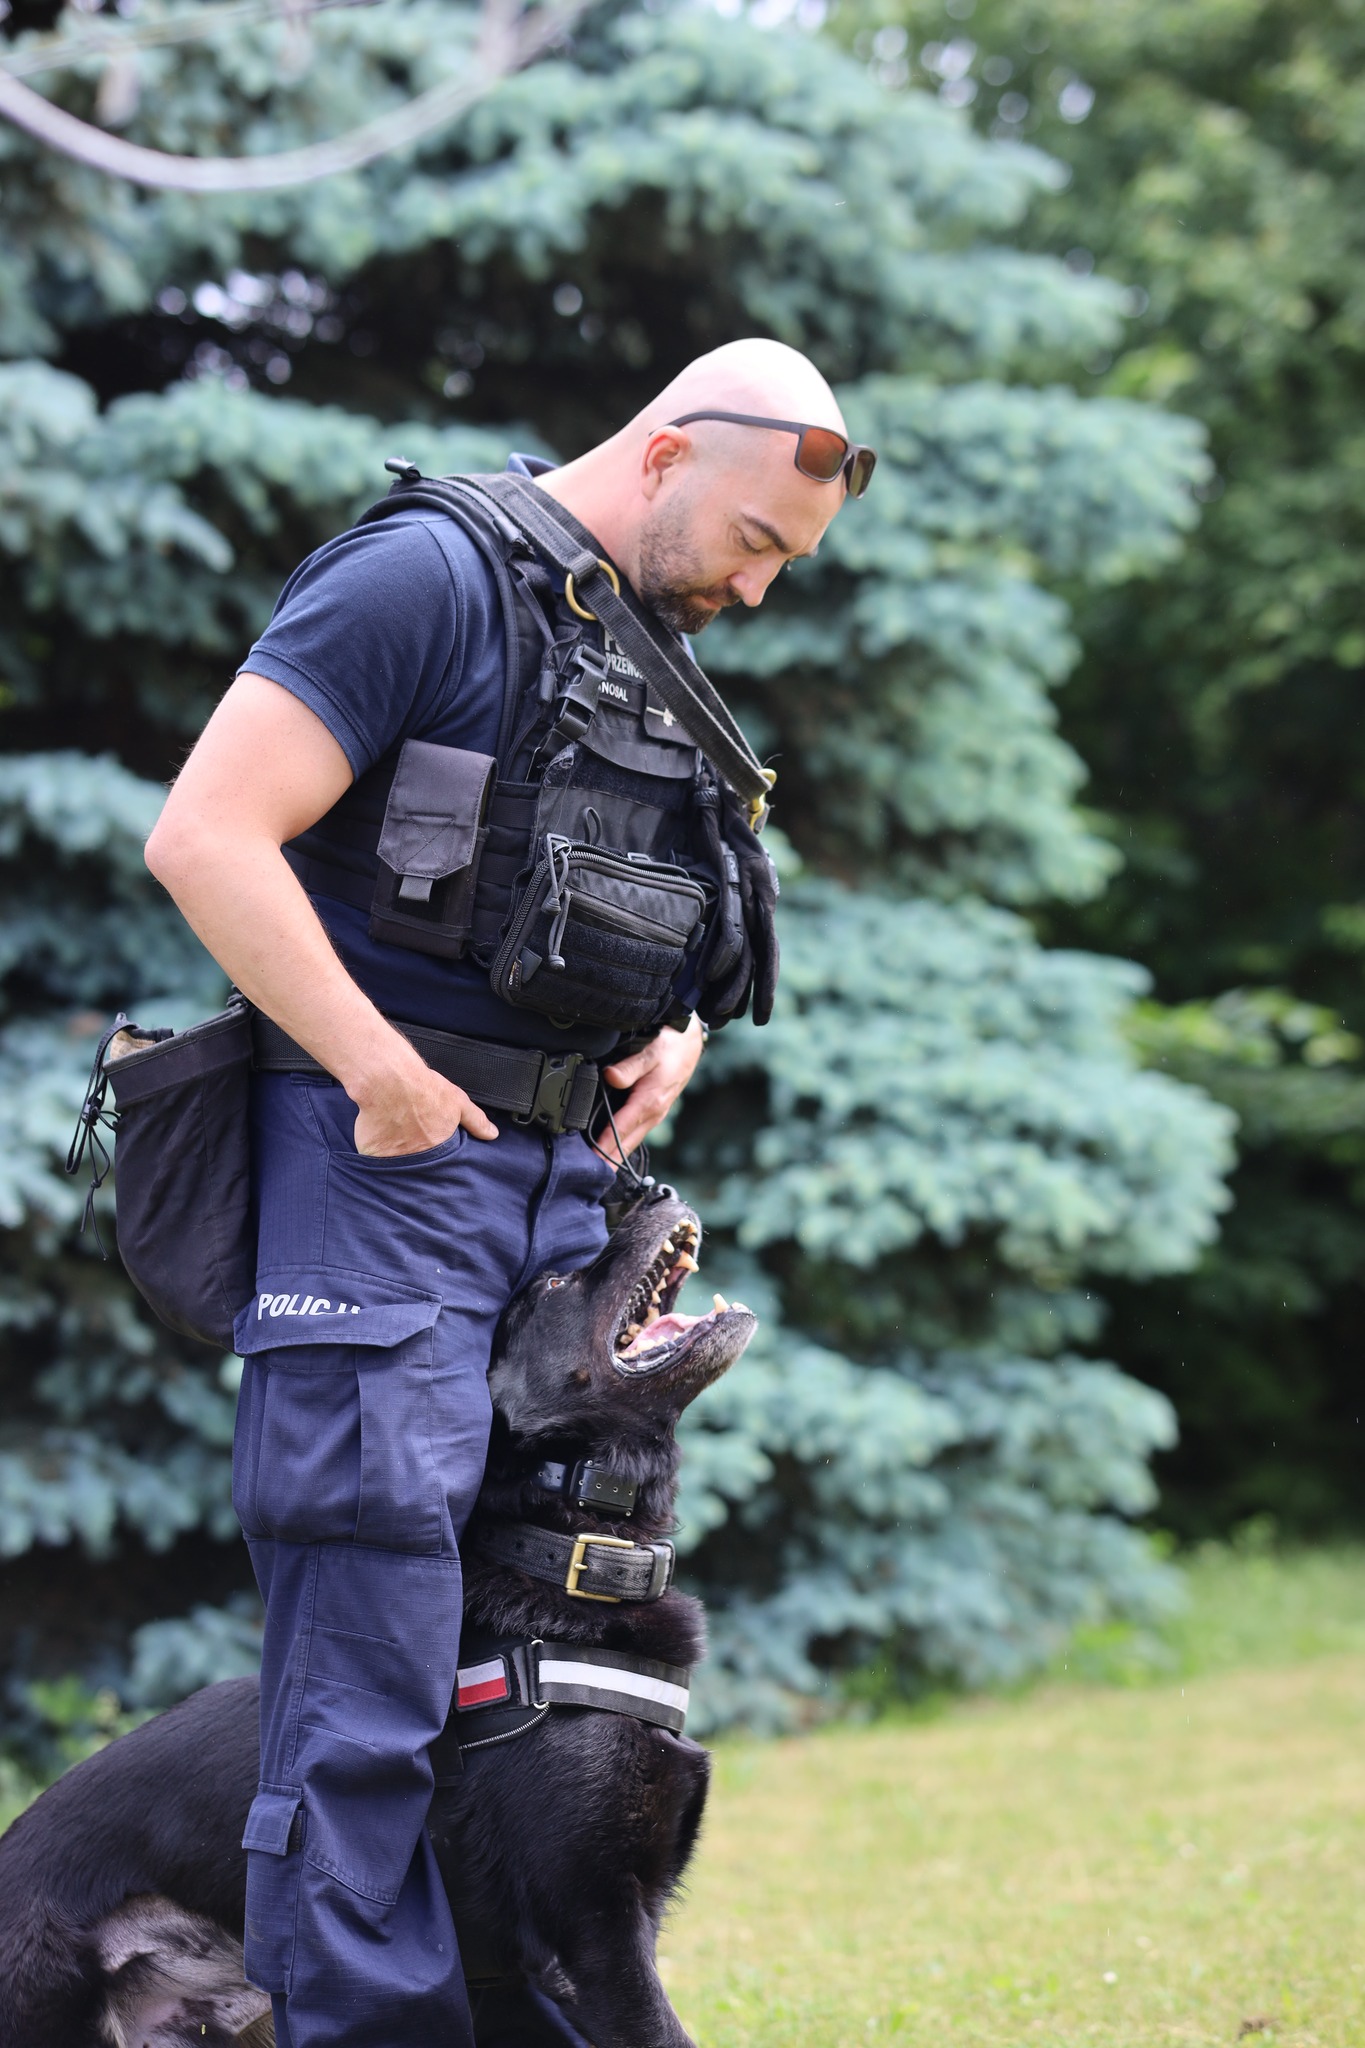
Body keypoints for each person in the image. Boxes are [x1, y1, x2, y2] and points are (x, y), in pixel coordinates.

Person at [144, 336, 874, 2048]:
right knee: (369, 1678)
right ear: (666, 452)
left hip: (547, 1189)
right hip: (381, 1178)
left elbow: (594, 880)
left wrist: (666, 1030)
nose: (756, 590)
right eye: (753, 542)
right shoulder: (423, 576)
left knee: (505, 1679)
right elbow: (206, 834)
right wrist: (374, 1067)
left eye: (785, 561)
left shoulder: (612, 623)